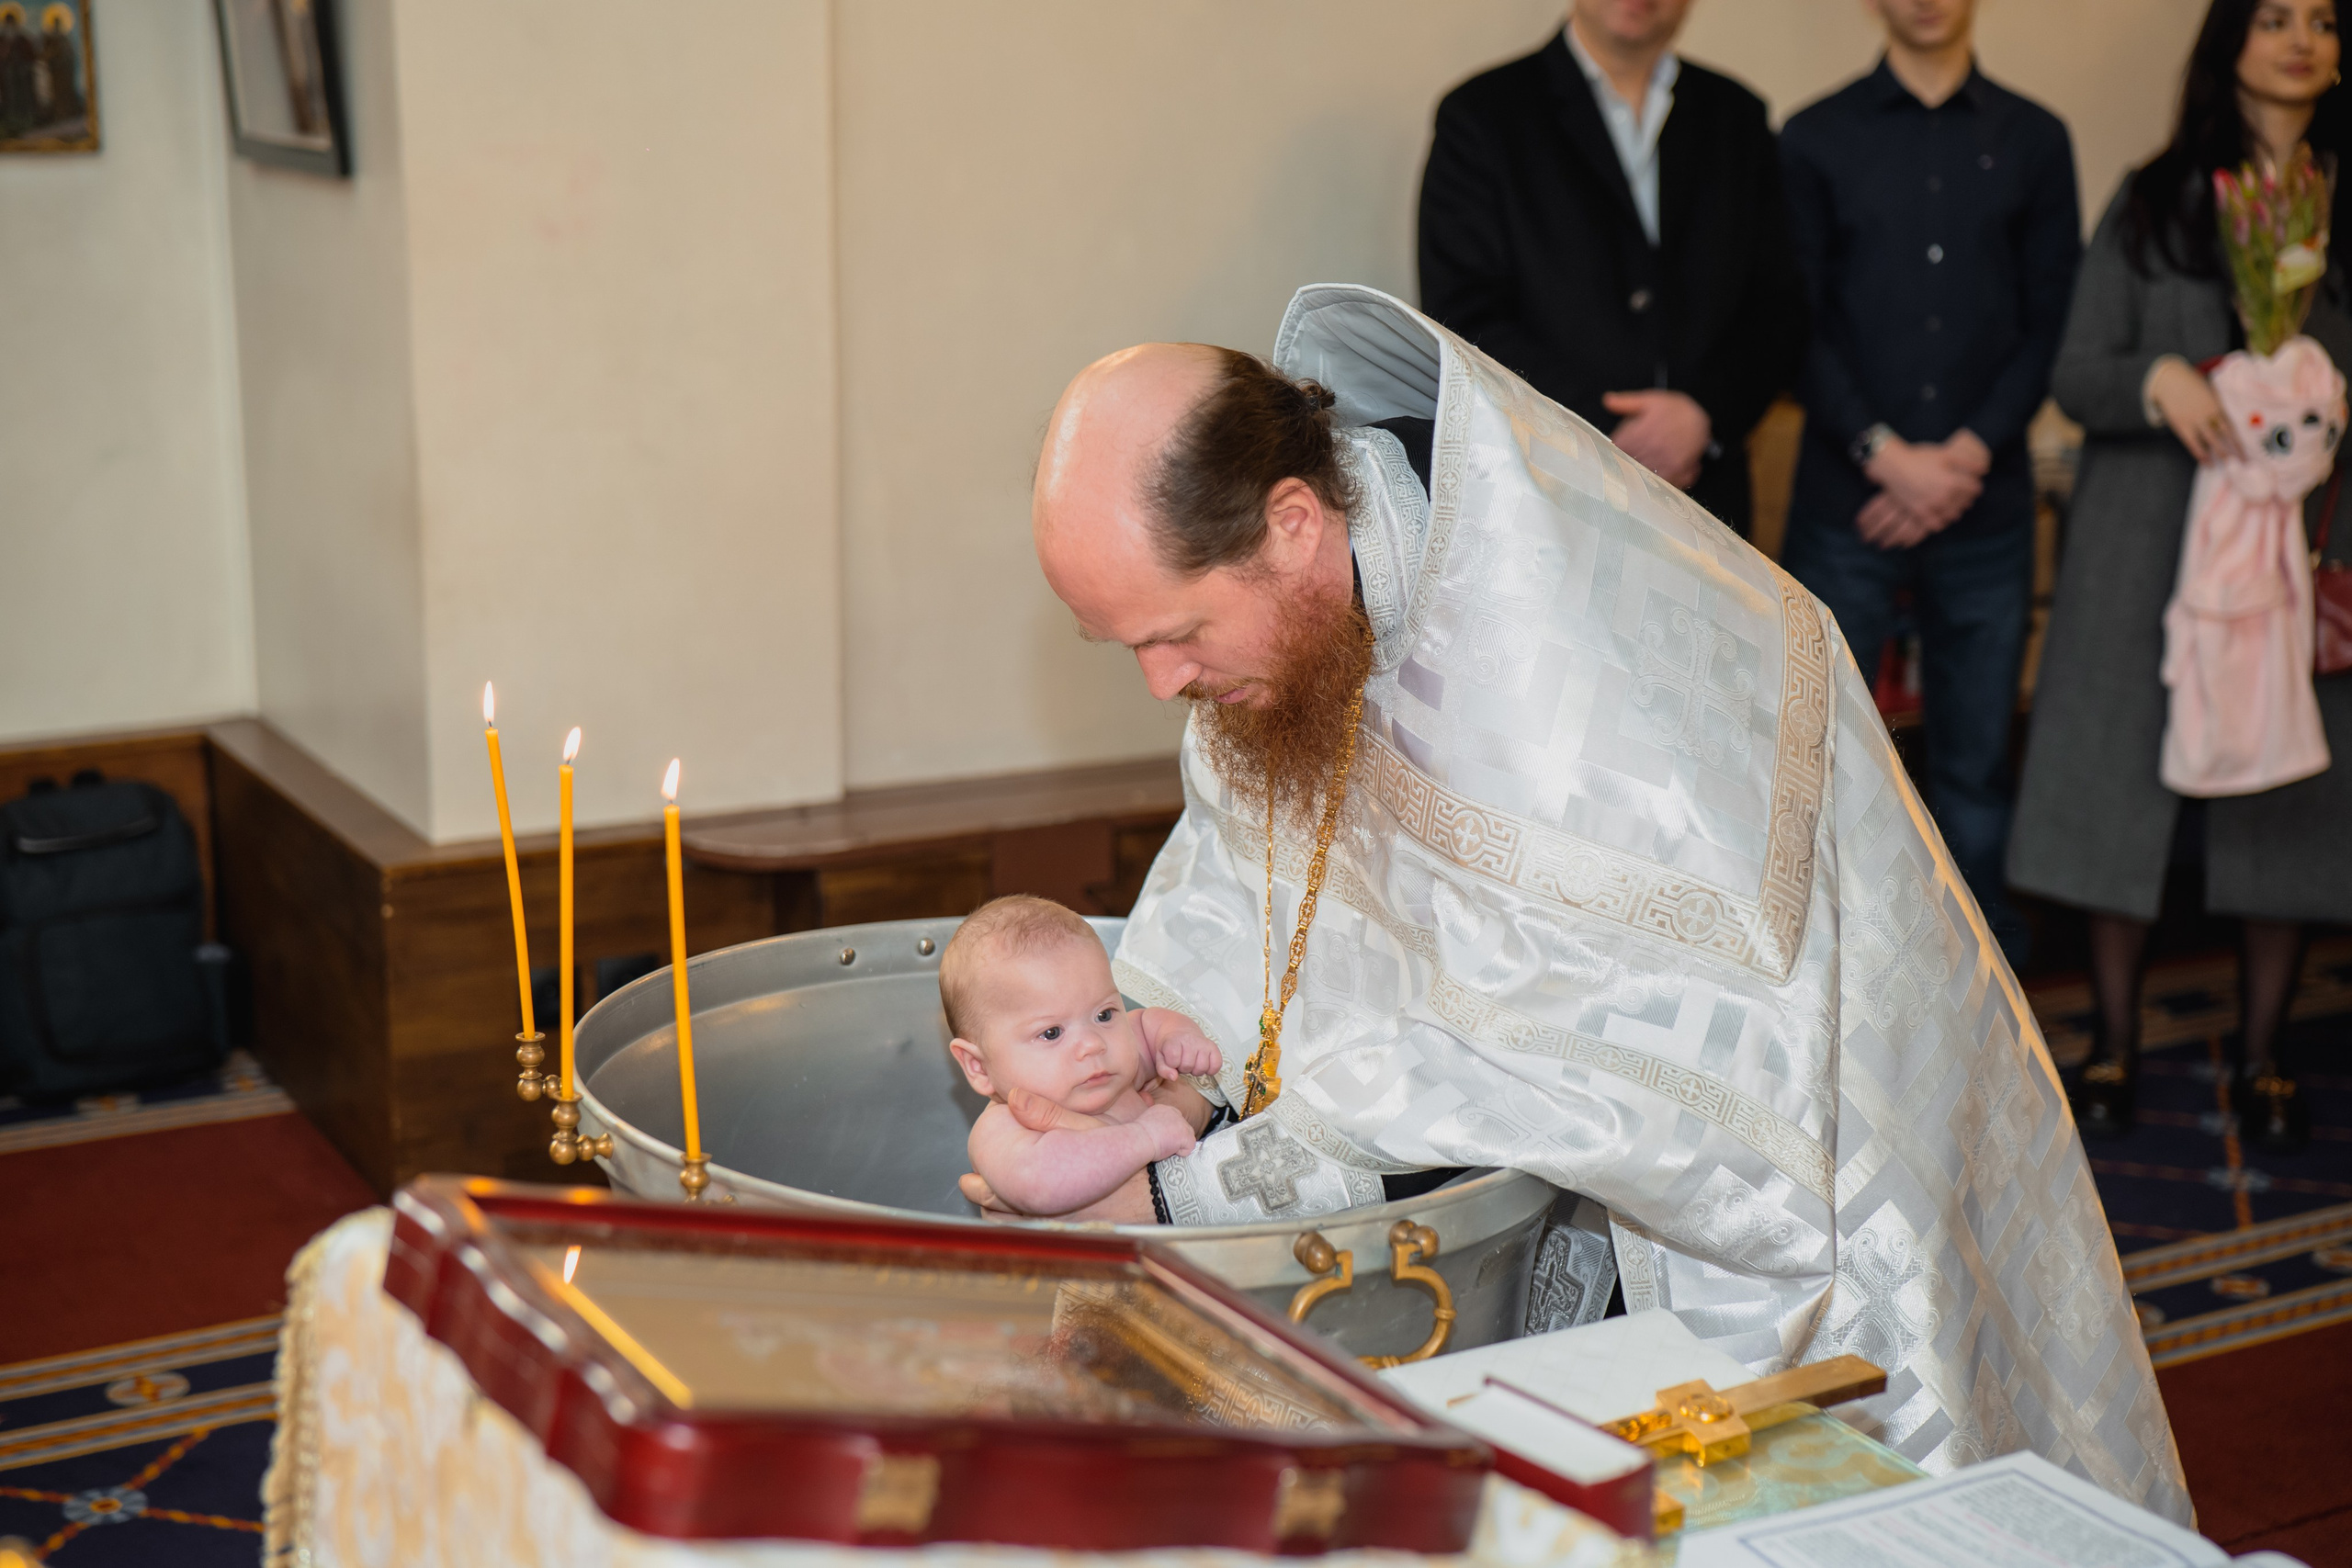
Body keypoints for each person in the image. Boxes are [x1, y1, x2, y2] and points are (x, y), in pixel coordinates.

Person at [1017, 286, 2187, 1517]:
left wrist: (1186, 1188)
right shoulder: (1291, 631)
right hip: (1554, 1191)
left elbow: (1636, 1076)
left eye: (1176, 632)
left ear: (1293, 524)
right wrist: (1143, 1075)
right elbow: (1235, 885)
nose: (1162, 684)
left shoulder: (1574, 675)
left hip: (1818, 1156)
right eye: (1127, 648)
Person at [2008, 0, 2350, 1155]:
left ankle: (2258, 1053)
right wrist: (2159, 377)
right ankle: (2110, 1038)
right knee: (2114, 789)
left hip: (2300, 555)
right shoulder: (2154, 198)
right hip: (2141, 551)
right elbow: (2077, 369)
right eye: (2272, 16)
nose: (2299, 37)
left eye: (2323, 19)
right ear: (2228, 43)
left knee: (2288, 804)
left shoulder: (2342, 204)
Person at [1778, 0, 2080, 964]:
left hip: (1983, 504)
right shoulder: (1813, 136)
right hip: (1846, 500)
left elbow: (2051, 321)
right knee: (1819, 759)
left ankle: (1974, 975)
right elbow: (1794, 320)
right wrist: (1886, 454)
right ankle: (1833, 967)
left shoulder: (2035, 139)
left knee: (1976, 766)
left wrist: (1966, 456)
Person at [1418, 0, 1805, 536]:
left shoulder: (1736, 115)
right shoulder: (1483, 115)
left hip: (1709, 500)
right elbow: (1462, 312)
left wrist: (1705, 416)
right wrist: (1608, 432)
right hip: (1544, 495)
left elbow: (1778, 305)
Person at [941, 896, 1218, 1216]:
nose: (1092, 1044)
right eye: (1051, 1033)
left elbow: (1144, 1023)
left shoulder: (1112, 1067)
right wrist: (1145, 1137)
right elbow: (1041, 1184)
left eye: (1104, 1014)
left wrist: (1177, 1037)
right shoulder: (1003, 1129)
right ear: (978, 1067)